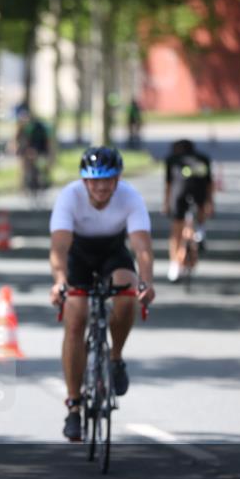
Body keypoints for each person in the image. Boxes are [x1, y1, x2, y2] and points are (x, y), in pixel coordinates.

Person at [49, 146, 156, 441]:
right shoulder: (69, 197)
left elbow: (142, 248)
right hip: (78, 255)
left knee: (127, 291)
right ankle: (73, 405)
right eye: (94, 180)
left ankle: (115, 357)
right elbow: (59, 247)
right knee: (76, 316)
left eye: (107, 180)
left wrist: (146, 282)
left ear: (118, 178)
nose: (100, 187)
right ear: (84, 181)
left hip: (112, 253)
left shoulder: (130, 197)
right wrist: (59, 281)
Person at [163, 139, 214, 282]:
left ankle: (174, 264)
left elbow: (168, 184)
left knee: (176, 230)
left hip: (178, 196)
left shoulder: (172, 160)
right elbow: (209, 184)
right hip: (199, 196)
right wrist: (210, 203)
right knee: (200, 210)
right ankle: (201, 232)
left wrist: (166, 204)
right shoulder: (203, 159)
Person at [15, 107, 54, 194]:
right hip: (33, 150)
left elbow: (31, 141)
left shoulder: (30, 128)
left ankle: (42, 180)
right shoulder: (27, 127)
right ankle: (25, 186)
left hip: (37, 149)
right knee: (26, 167)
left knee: (37, 165)